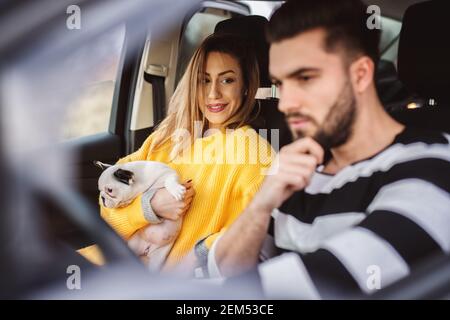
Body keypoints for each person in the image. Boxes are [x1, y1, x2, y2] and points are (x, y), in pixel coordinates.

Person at [204, 0, 450, 298]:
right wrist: (261, 204)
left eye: (305, 78)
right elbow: (223, 269)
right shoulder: (299, 173)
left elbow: (317, 290)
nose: (286, 103)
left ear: (360, 74)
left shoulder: (433, 169)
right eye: (280, 83)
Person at [79, 33, 274, 271]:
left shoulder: (254, 152)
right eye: (204, 80)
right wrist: (149, 207)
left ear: (245, 86)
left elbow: (244, 239)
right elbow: (108, 207)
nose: (213, 94)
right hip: (106, 261)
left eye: (227, 80)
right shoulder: (165, 137)